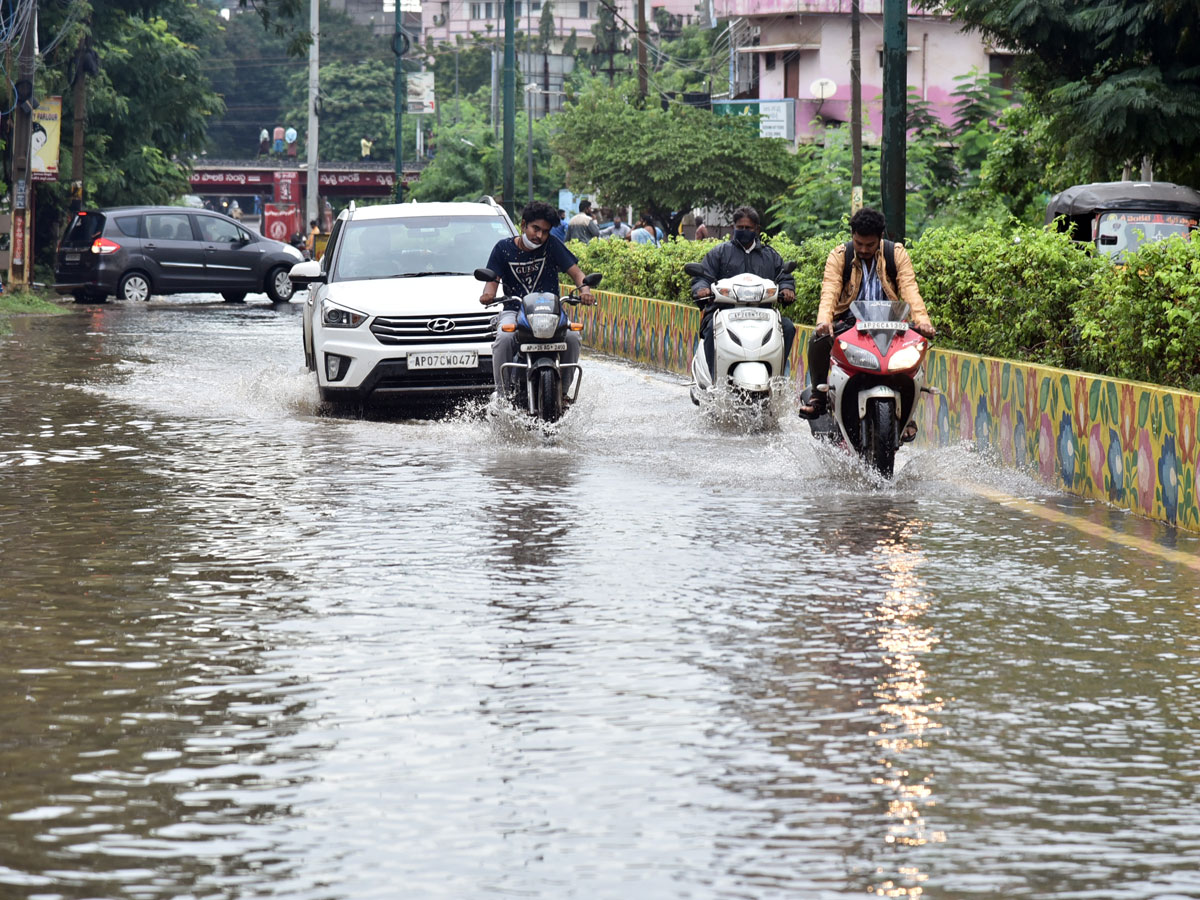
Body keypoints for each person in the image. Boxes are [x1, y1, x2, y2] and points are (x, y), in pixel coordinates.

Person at [797, 207, 936, 430]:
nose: (863, 249)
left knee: (915, 348)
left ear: (881, 238)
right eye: (859, 243)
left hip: (891, 327)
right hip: (849, 326)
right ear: (852, 235)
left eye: (869, 245)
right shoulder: (839, 256)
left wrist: (922, 321)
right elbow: (830, 290)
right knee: (817, 340)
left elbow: (910, 288)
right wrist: (824, 321)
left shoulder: (896, 254)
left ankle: (907, 413)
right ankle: (818, 397)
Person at [479, 201, 596, 400]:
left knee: (572, 337)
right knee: (504, 339)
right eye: (536, 228)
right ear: (524, 224)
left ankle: (564, 393)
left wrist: (585, 290)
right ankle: (502, 395)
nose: (540, 236)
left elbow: (577, 273)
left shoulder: (552, 245)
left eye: (545, 231)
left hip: (550, 311)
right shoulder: (503, 249)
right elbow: (491, 282)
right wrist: (487, 295)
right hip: (514, 311)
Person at [690, 205, 796, 379]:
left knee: (787, 327)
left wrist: (787, 288)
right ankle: (714, 380)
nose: (744, 231)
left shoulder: (770, 256)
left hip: (762, 315)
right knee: (710, 329)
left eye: (748, 228)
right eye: (740, 227)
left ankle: (776, 377)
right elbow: (704, 276)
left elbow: (784, 276)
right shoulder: (720, 253)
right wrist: (701, 289)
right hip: (725, 312)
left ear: (757, 229)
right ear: (734, 228)